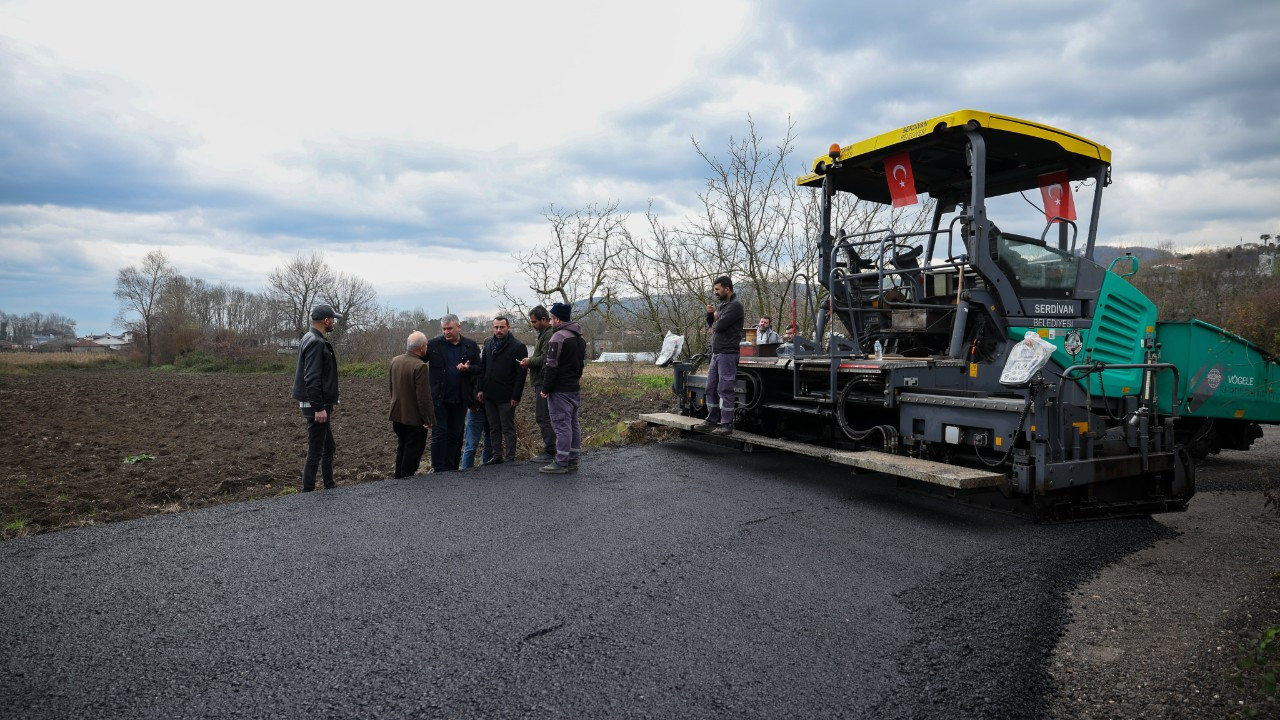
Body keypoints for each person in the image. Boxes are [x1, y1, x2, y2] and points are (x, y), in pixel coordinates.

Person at [291, 304, 342, 491]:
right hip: (317, 406)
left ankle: (329, 485)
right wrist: (319, 407)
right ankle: (308, 493)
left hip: (318, 404)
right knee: (316, 451)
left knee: (329, 447)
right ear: (326, 320)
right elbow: (311, 378)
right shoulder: (316, 342)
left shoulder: (308, 337)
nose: (334, 323)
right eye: (333, 319)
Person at [427, 314, 482, 472]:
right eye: (444, 329)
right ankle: (438, 468)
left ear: (459, 327)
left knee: (455, 434)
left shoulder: (470, 346)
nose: (446, 332)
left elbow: (480, 368)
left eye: (449, 328)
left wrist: (468, 369)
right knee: (439, 433)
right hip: (439, 398)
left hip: (460, 398)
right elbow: (419, 358)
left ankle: (451, 467)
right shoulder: (434, 344)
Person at [538, 302, 586, 474]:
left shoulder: (558, 338)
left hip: (560, 390)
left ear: (557, 319)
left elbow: (551, 366)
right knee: (573, 424)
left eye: (551, 319)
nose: (550, 322)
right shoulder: (580, 338)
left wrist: (546, 388)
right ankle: (572, 459)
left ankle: (561, 461)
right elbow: (580, 365)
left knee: (561, 425)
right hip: (574, 387)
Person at [475, 316, 528, 464]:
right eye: (496, 327)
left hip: (507, 395)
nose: (499, 330)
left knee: (508, 428)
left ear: (508, 327)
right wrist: (480, 389)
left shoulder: (518, 347)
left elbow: (521, 375)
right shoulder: (489, 345)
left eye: (502, 327)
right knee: (493, 427)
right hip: (490, 394)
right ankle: (497, 456)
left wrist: (516, 396)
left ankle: (510, 457)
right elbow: (483, 369)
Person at [699, 276, 744, 436]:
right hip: (716, 354)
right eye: (715, 289)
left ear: (727, 288)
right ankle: (711, 421)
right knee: (710, 388)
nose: (715, 292)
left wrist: (716, 320)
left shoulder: (735, 306)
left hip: (728, 354)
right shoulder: (723, 306)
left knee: (725, 389)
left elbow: (719, 327)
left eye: (718, 289)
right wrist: (710, 315)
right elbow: (713, 324)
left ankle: (726, 424)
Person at [388, 331, 435, 479]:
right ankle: (407, 480)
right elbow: (423, 397)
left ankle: (399, 478)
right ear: (421, 347)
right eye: (426, 344)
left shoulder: (395, 361)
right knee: (413, 452)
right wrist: (428, 419)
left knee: (402, 447)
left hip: (397, 415)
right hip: (413, 419)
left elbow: (392, 388)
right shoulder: (420, 366)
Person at [519, 306, 557, 463]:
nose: (532, 324)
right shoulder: (544, 334)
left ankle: (551, 450)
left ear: (543, 320)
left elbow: (545, 358)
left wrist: (529, 362)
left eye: (534, 321)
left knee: (543, 416)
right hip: (541, 381)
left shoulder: (548, 335)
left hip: (543, 381)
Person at [461, 402, 492, 470]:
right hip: (476, 409)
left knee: (490, 444)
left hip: (492, 409)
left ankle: (488, 471)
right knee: (471, 446)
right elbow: (467, 391)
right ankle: (466, 473)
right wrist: (470, 404)